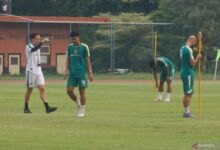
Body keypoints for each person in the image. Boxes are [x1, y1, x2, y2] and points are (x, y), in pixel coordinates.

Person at [24, 33, 57, 114]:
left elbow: (37, 48)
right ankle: (26, 107)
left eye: (39, 38)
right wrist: (42, 42)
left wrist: (42, 42)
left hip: (39, 70)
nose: (38, 40)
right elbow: (33, 50)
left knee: (42, 88)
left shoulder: (38, 47)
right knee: (29, 89)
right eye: (37, 38)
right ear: (32, 39)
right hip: (31, 70)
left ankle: (47, 107)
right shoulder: (28, 46)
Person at [64, 31, 94, 117]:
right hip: (72, 73)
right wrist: (66, 70)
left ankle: (82, 111)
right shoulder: (70, 47)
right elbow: (68, 59)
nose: (73, 40)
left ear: (79, 38)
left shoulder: (84, 47)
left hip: (81, 73)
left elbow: (88, 61)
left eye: (75, 38)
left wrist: (90, 73)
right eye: (72, 39)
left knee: (82, 92)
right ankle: (78, 104)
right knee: (69, 91)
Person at [180, 32, 202, 118]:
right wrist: (197, 57)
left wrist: (200, 39)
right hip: (188, 72)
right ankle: (186, 113)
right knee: (188, 93)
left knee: (189, 92)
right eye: (195, 42)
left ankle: (187, 112)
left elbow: (199, 49)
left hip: (184, 71)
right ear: (192, 40)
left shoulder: (183, 48)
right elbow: (193, 63)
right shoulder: (188, 50)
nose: (195, 45)